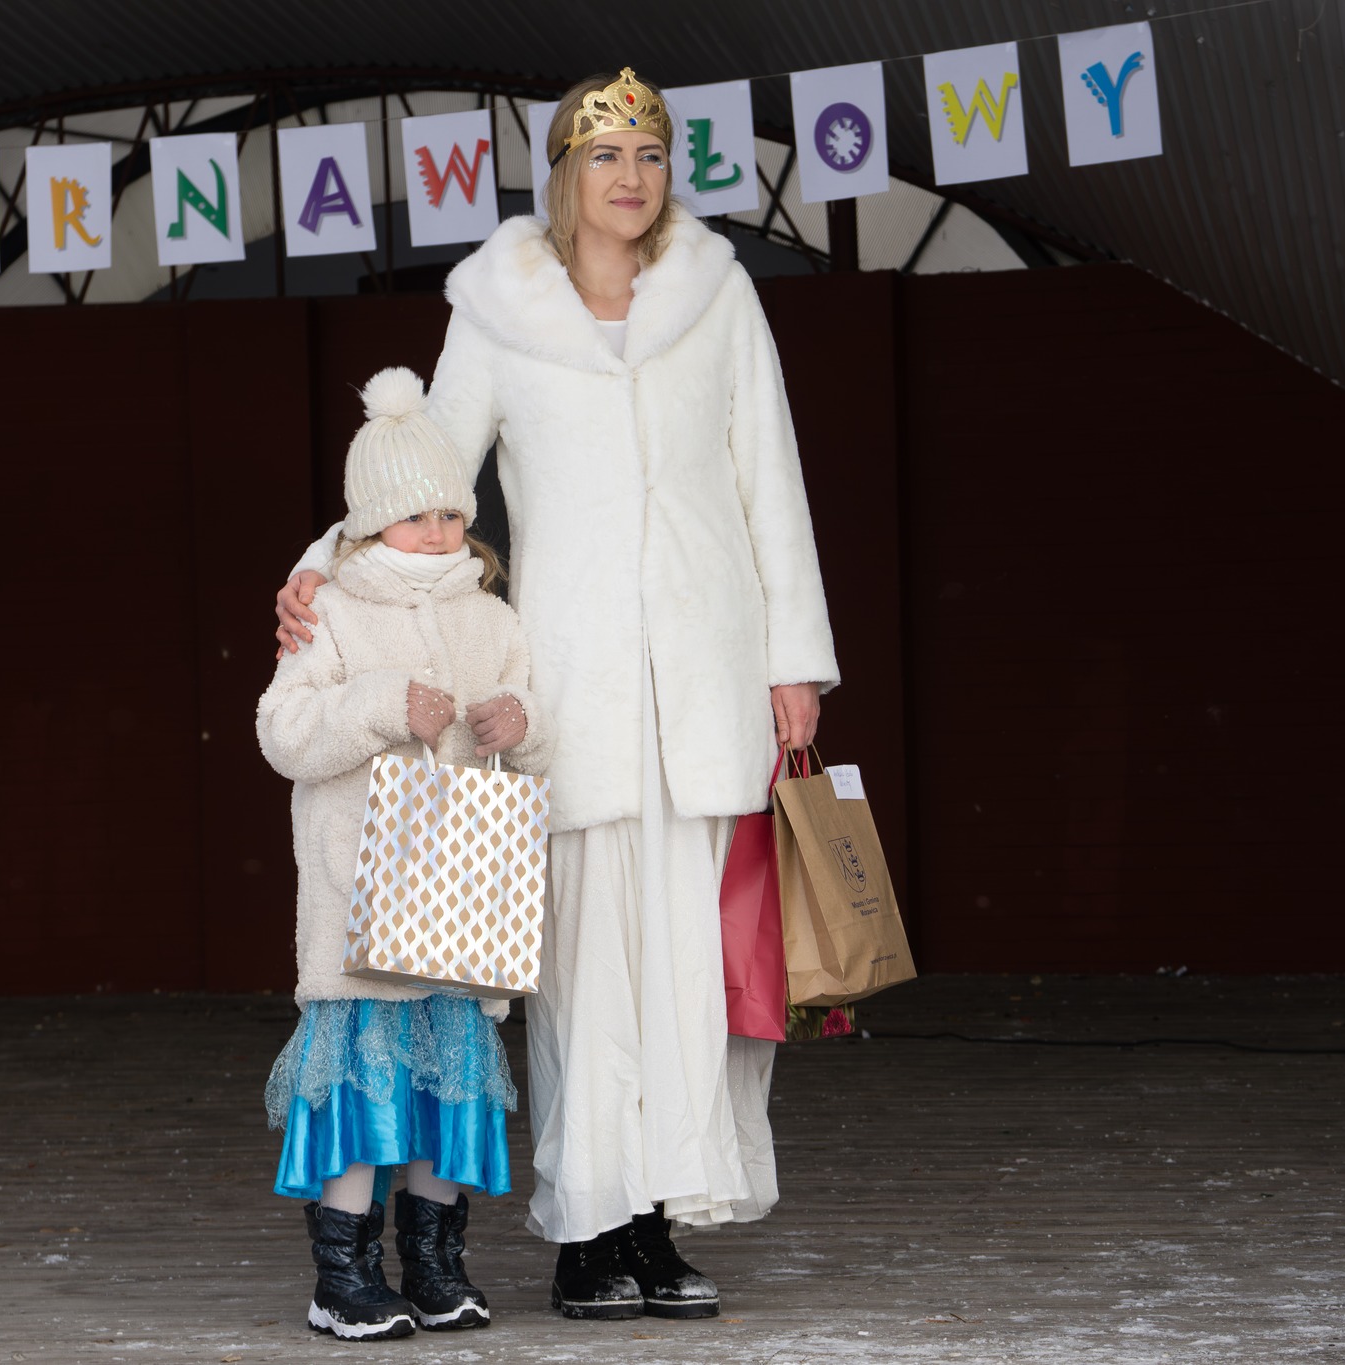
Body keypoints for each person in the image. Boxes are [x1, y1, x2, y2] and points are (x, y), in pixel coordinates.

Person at [276, 68, 838, 1321]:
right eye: (605, 155)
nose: (629, 177)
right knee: (584, 969)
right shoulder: (496, 309)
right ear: (565, 175)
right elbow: (423, 468)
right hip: (565, 687)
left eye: (649, 153)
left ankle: (663, 1219)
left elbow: (771, 477)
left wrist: (791, 660)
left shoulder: (718, 294)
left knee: (690, 963)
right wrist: (318, 566)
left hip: (705, 673)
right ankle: (591, 1229)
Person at [256, 367, 553, 1340]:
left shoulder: (491, 618)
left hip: (459, 903)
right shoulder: (331, 610)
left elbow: (534, 725)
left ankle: (432, 1265)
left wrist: (523, 723)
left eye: (449, 513)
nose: (435, 531)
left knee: (444, 1092)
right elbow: (283, 730)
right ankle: (342, 1275)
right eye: (413, 515)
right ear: (370, 520)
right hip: (361, 910)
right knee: (357, 1087)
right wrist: (381, 704)